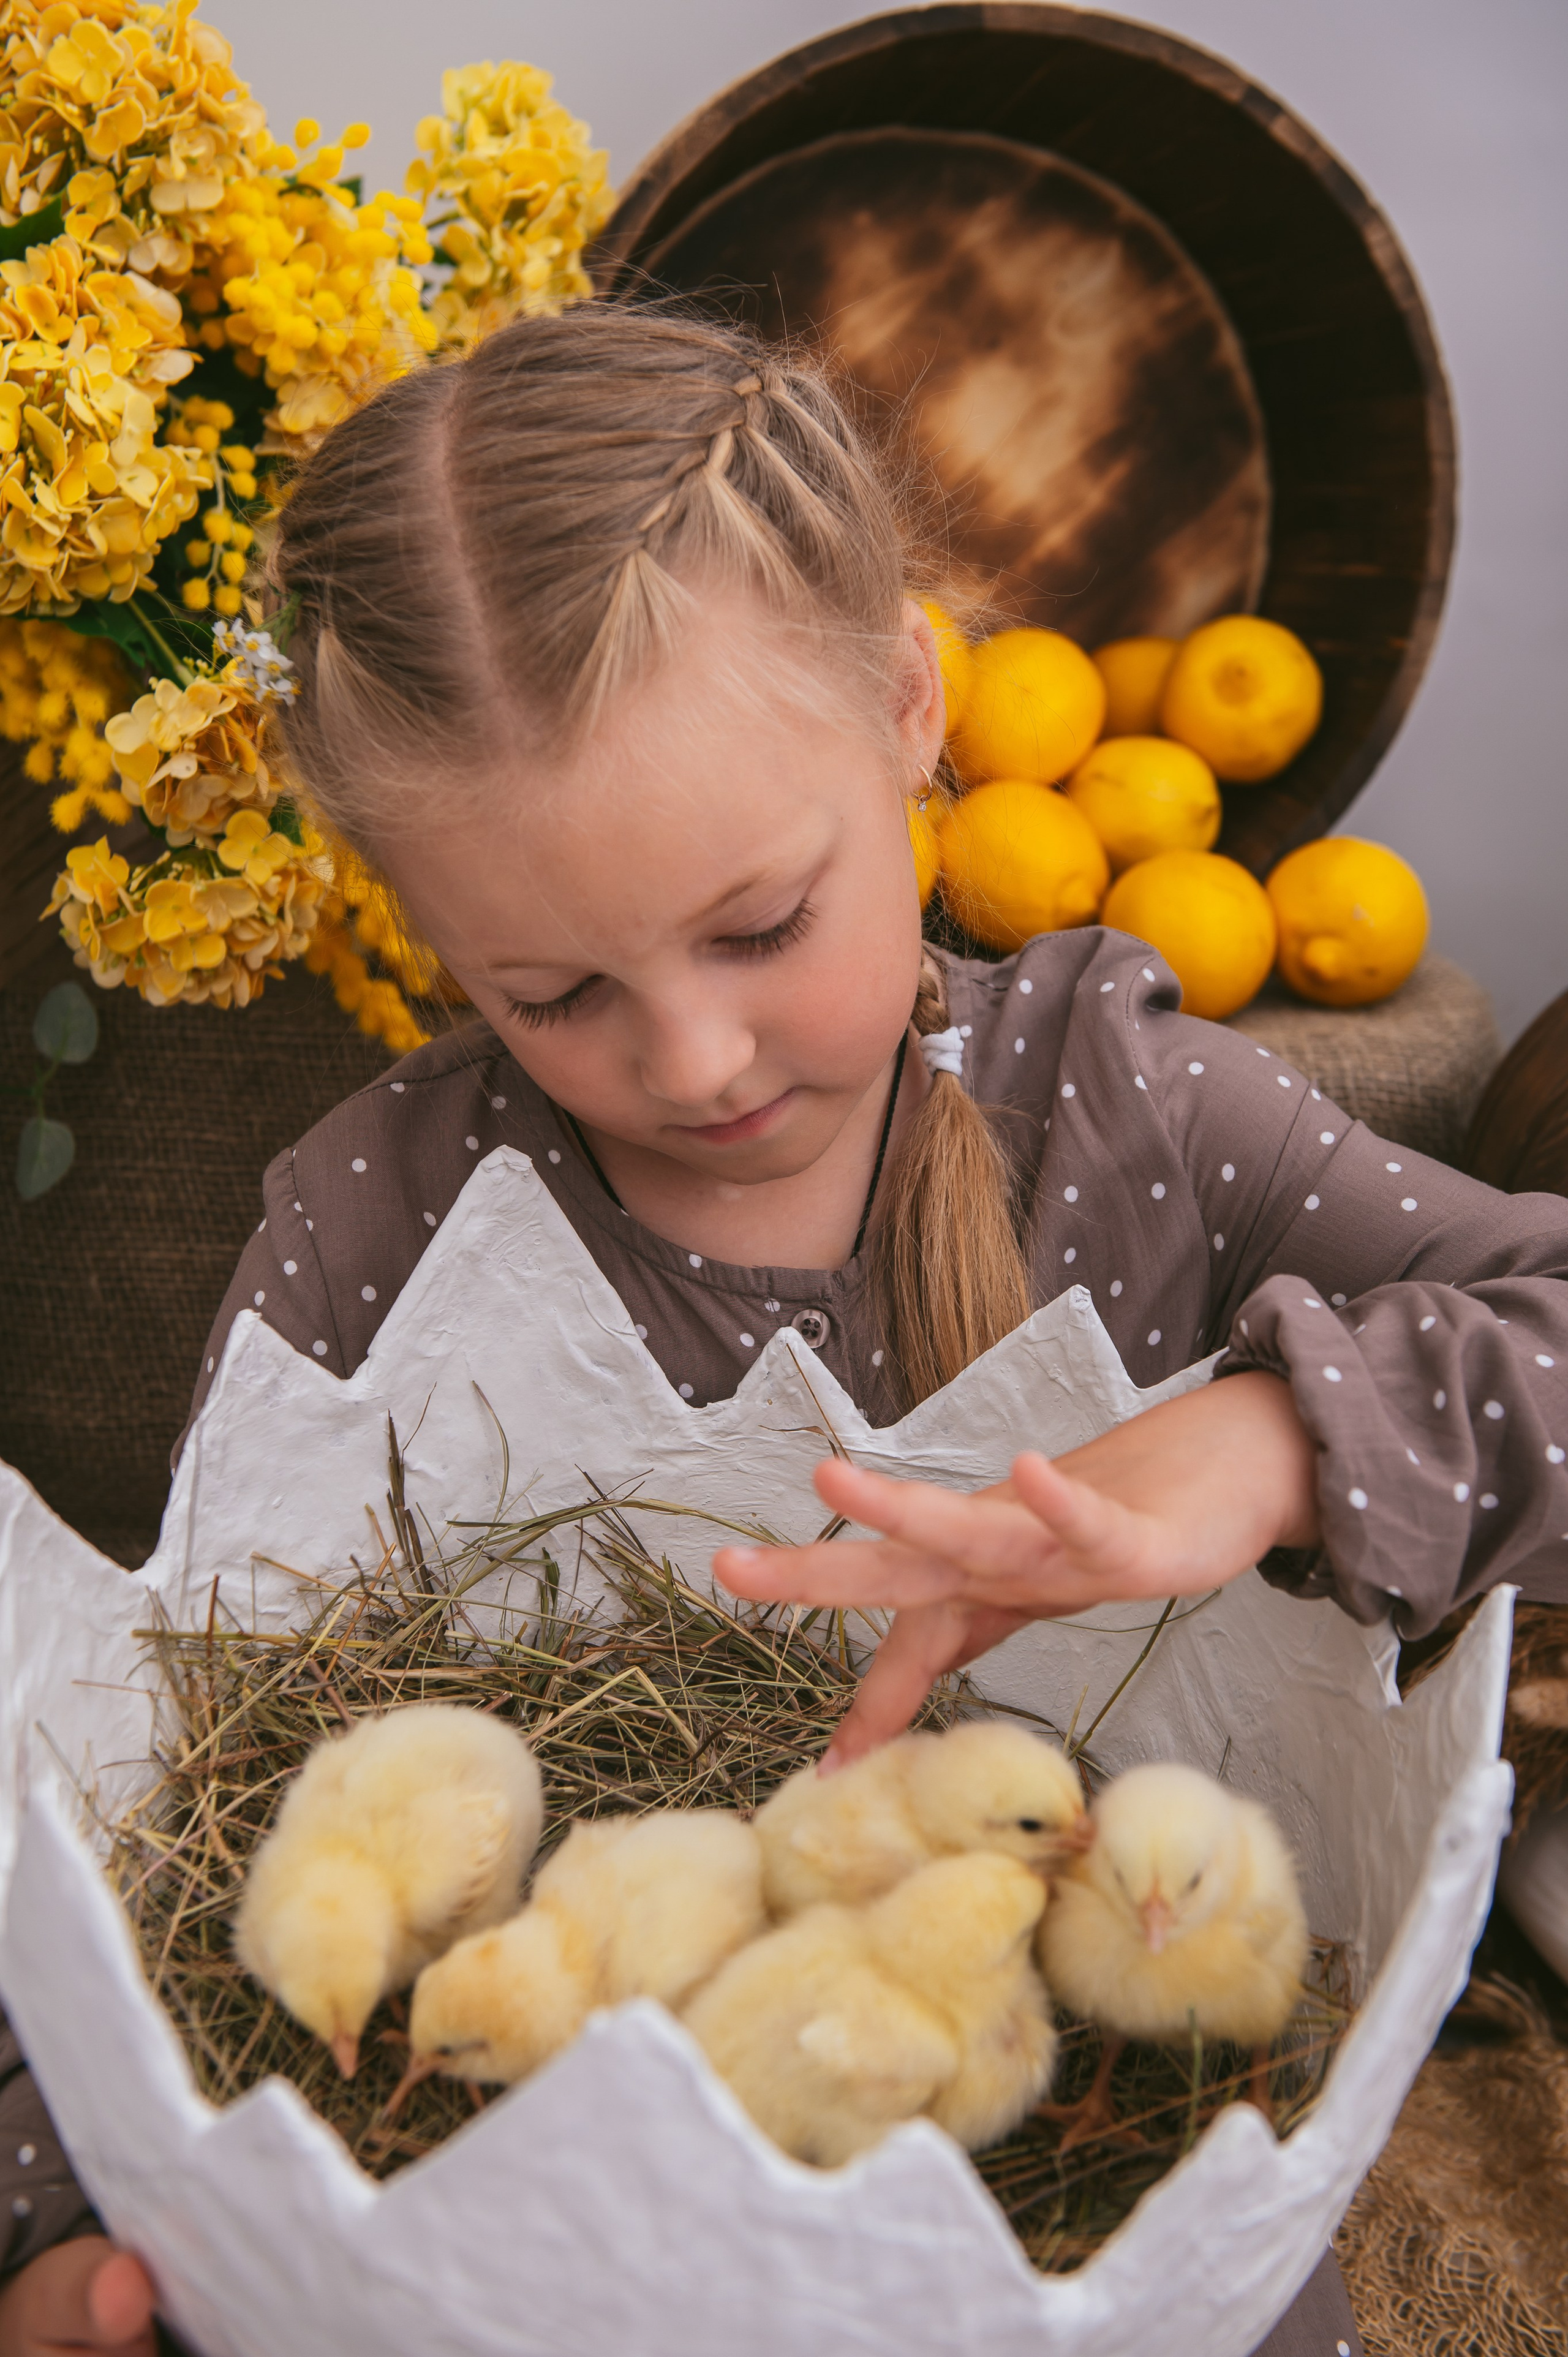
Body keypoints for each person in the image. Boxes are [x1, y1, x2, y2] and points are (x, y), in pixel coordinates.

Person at [5, 303, 1565, 2356]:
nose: (697, 1054)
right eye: (550, 994)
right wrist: (58, 2211)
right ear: (414, 920)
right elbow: (149, 1788)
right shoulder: (374, 1223)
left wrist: (1278, 1436)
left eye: (761, 926)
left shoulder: (1123, 1119)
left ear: (912, 703)